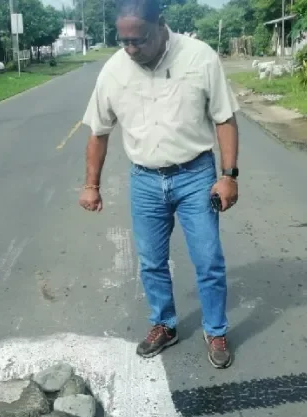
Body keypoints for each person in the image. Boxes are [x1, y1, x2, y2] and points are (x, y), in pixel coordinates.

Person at [79, 0, 240, 369]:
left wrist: (228, 176)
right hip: (145, 180)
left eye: (140, 40)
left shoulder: (199, 57)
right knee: (151, 262)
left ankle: (215, 329)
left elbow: (225, 118)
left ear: (161, 25)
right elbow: (98, 131)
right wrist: (92, 184)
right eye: (125, 41)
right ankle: (164, 325)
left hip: (196, 176)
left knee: (208, 260)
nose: (132, 49)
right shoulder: (114, 71)